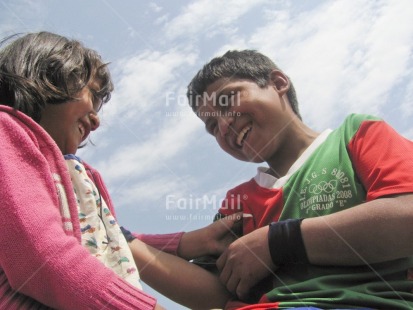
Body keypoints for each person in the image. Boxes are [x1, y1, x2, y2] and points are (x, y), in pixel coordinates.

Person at [0, 31, 236, 310]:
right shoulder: (6, 133)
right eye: (91, 97)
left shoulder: (81, 176)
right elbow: (41, 256)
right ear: (52, 75)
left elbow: (111, 240)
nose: (96, 121)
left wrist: (184, 243)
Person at [186, 49, 413, 309]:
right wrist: (129, 243)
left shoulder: (355, 134)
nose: (224, 125)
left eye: (227, 101)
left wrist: (280, 241)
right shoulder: (238, 201)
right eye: (212, 126)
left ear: (278, 83)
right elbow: (215, 290)